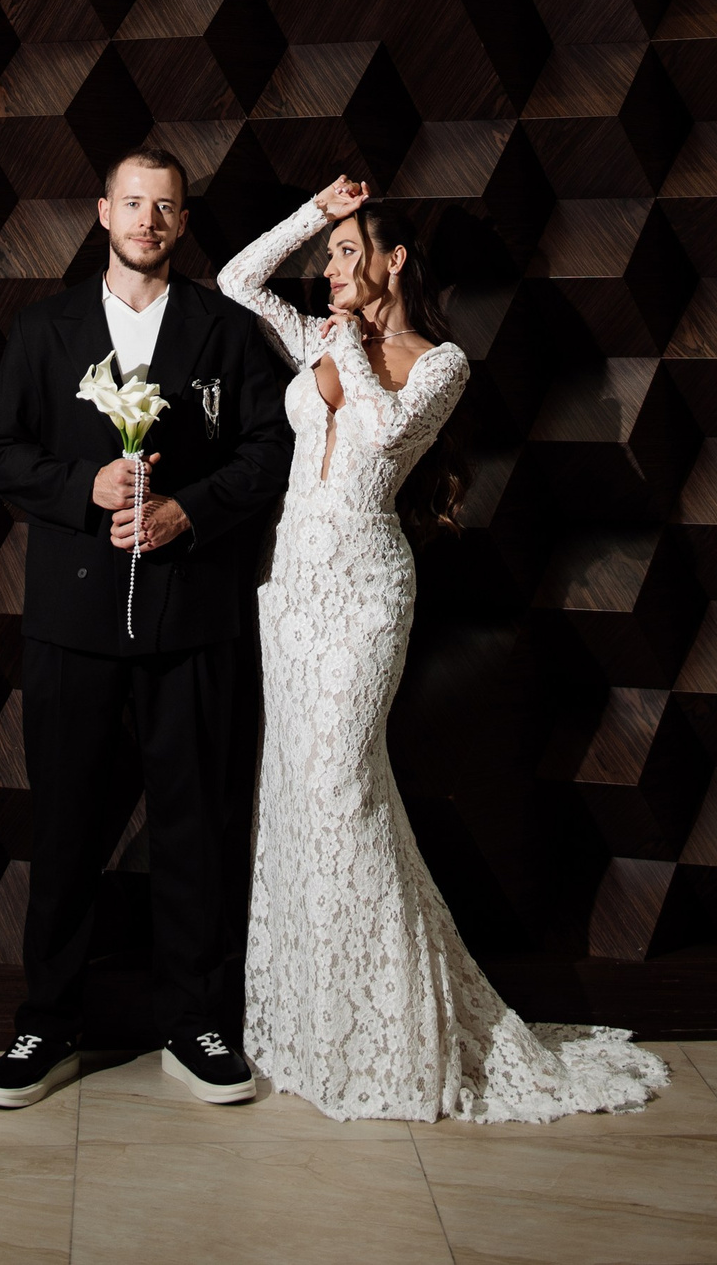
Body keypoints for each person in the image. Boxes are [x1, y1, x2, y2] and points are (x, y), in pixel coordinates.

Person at [216, 175, 670, 1125]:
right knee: (298, 796)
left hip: (365, 595)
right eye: (330, 257)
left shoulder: (440, 363)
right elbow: (237, 279)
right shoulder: (318, 336)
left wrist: (346, 338)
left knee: (342, 786)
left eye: (349, 253)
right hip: (291, 593)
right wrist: (315, 214)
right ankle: (316, 1029)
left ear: (395, 262)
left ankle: (394, 1033)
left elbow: (383, 439)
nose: (331, 270)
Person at [0, 147, 293, 1108]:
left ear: (182, 223)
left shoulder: (226, 331)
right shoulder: (45, 329)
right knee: (66, 826)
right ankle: (47, 1023)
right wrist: (87, 487)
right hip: (71, 622)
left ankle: (195, 1024)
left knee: (195, 827)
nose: (148, 220)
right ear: (102, 212)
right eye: (133, 202)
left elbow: (271, 448)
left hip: (191, 618)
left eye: (166, 207)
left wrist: (189, 510)